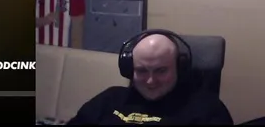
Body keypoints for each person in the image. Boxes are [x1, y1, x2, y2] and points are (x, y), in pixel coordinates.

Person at [66, 31, 233, 125]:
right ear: (129, 69)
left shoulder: (207, 110)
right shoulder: (108, 100)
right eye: (142, 71)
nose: (151, 81)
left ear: (180, 67)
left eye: (161, 71)